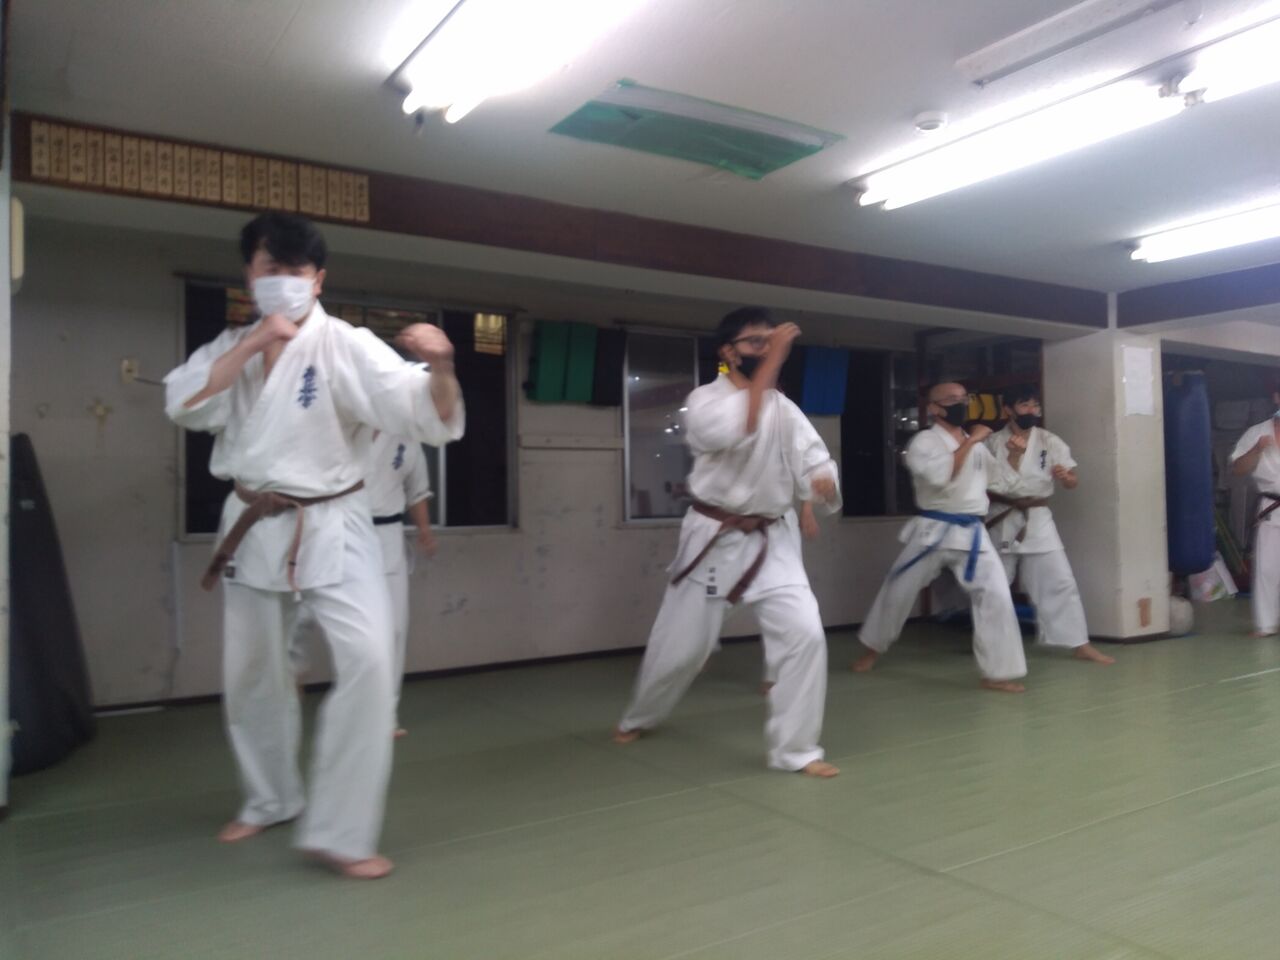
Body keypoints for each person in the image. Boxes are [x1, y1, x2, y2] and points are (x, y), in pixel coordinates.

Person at [164, 212, 463, 879]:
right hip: (251, 522)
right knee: (253, 673)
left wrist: (441, 364)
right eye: (270, 268)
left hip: (335, 521)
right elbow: (185, 404)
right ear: (250, 276)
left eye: (296, 270)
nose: (284, 280)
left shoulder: (346, 345)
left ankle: (342, 832)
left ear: (318, 279)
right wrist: (253, 343)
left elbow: (425, 410)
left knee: (370, 662)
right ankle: (270, 799)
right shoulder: (230, 345)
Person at [614, 307, 841, 777]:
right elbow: (736, 430)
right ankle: (641, 715)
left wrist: (822, 482)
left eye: (771, 342)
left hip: (773, 540)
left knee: (805, 635)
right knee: (680, 648)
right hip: (716, 540)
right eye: (756, 342)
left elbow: (814, 456)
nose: (766, 350)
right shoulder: (704, 401)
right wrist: (774, 360)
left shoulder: (784, 408)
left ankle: (796, 750)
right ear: (728, 352)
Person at [853, 382, 1027, 692]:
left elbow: (1002, 481)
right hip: (932, 530)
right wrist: (973, 440)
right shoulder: (924, 442)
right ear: (934, 408)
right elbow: (941, 476)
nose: (961, 404)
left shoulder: (973, 444)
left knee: (997, 596)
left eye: (964, 398)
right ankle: (872, 649)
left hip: (972, 533)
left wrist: (1013, 456)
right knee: (898, 589)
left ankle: (997, 672)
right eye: (952, 399)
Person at [984, 385, 1113, 664]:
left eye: (1035, 405)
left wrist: (1066, 478)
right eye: (1024, 405)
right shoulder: (992, 442)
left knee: (1059, 579)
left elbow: (1072, 481)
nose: (1032, 411)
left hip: (1038, 517)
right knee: (994, 585)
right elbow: (989, 481)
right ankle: (991, 645)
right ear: (1008, 410)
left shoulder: (1049, 441)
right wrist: (1012, 456)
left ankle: (1078, 643)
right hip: (1002, 516)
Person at [364, 429, 437, 736]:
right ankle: (357, 711)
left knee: (394, 628)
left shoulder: (406, 437)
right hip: (345, 531)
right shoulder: (345, 422)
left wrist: (425, 530)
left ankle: (385, 715)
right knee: (353, 632)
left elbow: (417, 491)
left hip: (389, 535)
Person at [1230, 391, 1280, 637]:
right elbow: (1238, 468)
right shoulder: (1257, 432)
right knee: (1267, 569)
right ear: (1276, 398)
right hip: (1271, 508)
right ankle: (1266, 624)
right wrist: (1257, 449)